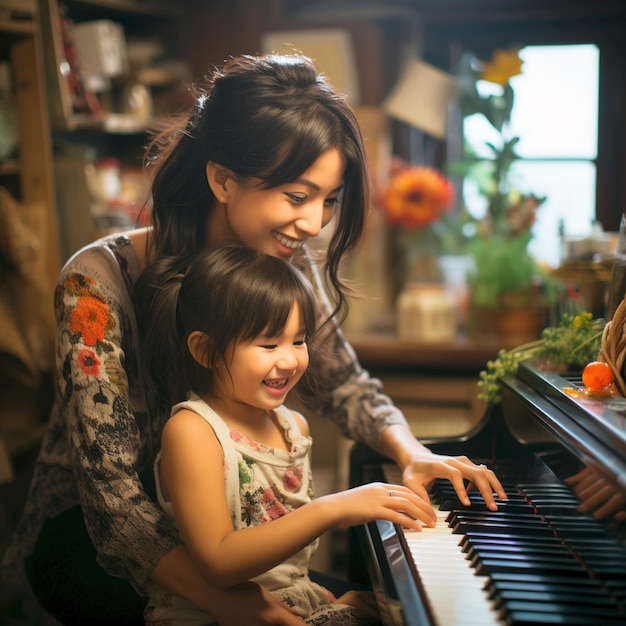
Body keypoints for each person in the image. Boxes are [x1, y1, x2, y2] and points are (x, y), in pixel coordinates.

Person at [2, 53, 506, 626]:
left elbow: (345, 386)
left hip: (225, 539)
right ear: (222, 178)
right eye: (297, 196)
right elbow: (117, 512)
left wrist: (413, 454)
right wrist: (262, 615)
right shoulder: (94, 283)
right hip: (94, 547)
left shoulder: (283, 262)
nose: (315, 224)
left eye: (329, 200)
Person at [136, 244, 430, 625]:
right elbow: (219, 563)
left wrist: (327, 604)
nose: (290, 359)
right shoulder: (193, 431)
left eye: (299, 340)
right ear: (205, 350)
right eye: (269, 344)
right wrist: (331, 508)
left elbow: (286, 573)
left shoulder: (293, 427)